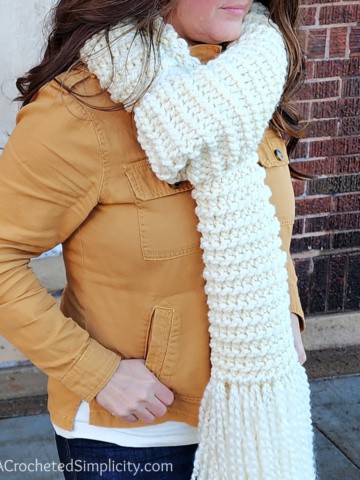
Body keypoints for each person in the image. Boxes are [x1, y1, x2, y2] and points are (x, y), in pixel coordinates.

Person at [0, 0, 317, 479]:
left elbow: (267, 230)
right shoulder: (81, 107)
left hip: (257, 420)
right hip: (134, 440)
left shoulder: (250, 74)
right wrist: (95, 372)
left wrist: (285, 310)